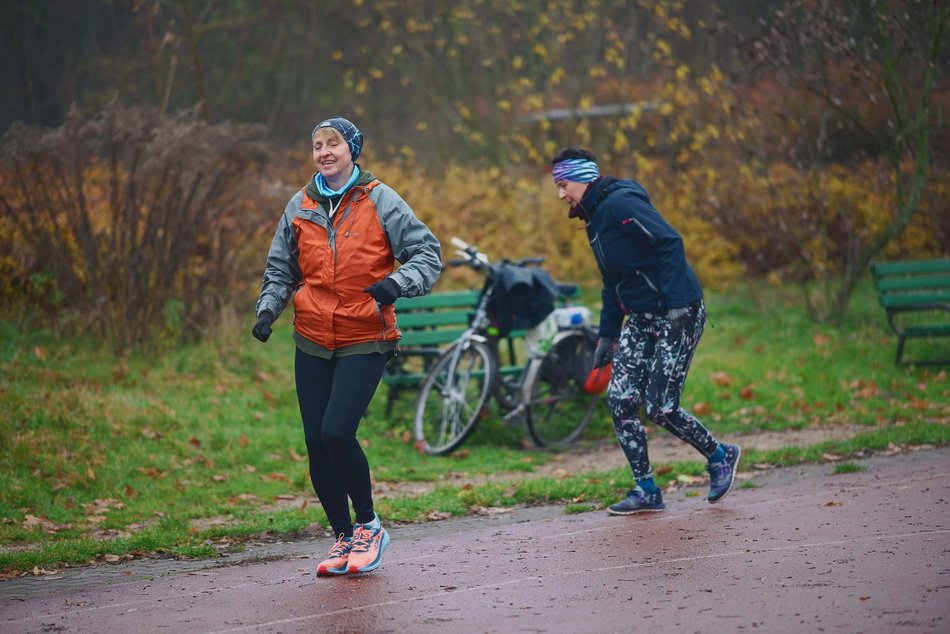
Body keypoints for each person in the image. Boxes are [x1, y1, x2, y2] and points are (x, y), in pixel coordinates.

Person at [252, 116, 442, 574]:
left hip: (366, 335)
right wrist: (267, 310)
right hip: (313, 336)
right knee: (317, 441)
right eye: (316, 144)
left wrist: (396, 284)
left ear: (352, 149)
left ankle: (370, 526)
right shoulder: (300, 205)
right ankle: (342, 537)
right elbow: (282, 270)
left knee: (338, 430)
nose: (324, 151)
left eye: (332, 143)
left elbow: (427, 253)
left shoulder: (380, 199)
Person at [550, 147, 740, 515]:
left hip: (678, 311)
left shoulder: (621, 204)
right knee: (620, 401)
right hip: (640, 317)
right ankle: (647, 490)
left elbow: (670, 242)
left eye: (563, 184)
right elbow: (611, 282)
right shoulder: (593, 220)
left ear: (584, 177)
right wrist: (607, 336)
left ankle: (720, 455)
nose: (561, 195)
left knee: (660, 406)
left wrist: (672, 305)